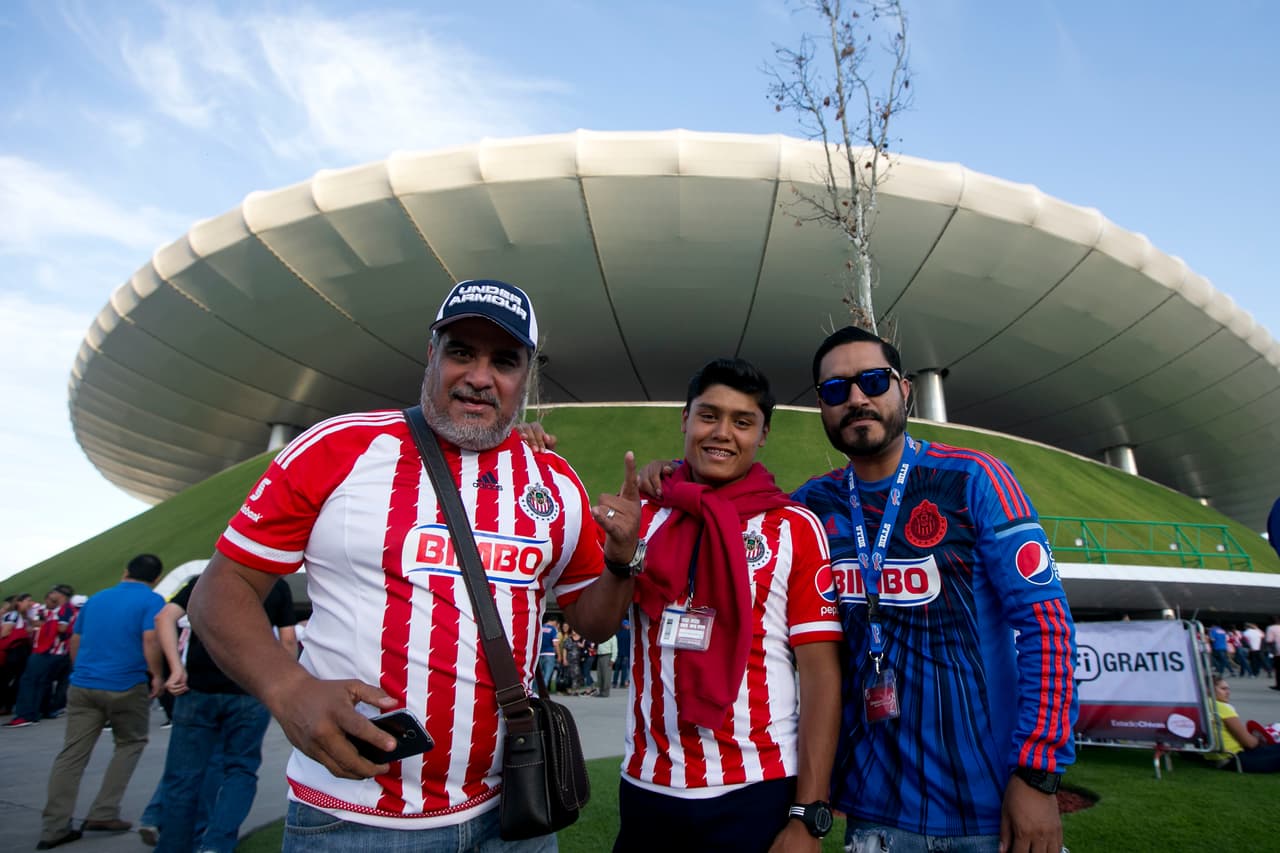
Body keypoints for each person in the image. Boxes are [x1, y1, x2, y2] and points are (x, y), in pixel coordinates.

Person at [186, 279, 637, 852]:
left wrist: (622, 564)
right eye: (461, 353)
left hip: (513, 815)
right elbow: (221, 588)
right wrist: (287, 687)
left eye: (503, 360)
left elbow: (591, 622)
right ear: (431, 355)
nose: (480, 376)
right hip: (354, 820)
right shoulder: (339, 447)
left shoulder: (556, 482)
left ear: (527, 377)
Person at [613, 358, 842, 852]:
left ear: (763, 434)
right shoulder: (645, 516)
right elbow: (595, 623)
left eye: (742, 422)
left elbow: (821, 676)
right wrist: (621, 558)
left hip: (754, 788)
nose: (722, 433)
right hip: (647, 784)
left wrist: (808, 815)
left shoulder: (794, 527)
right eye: (708, 415)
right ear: (685, 419)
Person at [151, 575, 297, 853]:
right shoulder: (276, 585)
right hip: (250, 688)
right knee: (240, 770)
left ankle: (173, 846)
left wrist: (175, 667)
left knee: (183, 775)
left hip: (199, 688)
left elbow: (164, 618)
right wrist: (286, 685)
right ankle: (216, 844)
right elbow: (288, 639)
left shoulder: (203, 579)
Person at [36, 555, 165, 850]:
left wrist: (78, 670)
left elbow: (75, 640)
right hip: (126, 683)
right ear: (156, 578)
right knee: (130, 743)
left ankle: (54, 826)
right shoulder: (152, 601)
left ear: (125, 571)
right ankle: (104, 811)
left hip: (84, 683)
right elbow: (149, 639)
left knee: (72, 754)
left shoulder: (95, 599)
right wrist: (156, 674)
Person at [6, 584, 76, 728]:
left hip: (48, 650)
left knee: (29, 681)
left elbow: (62, 628)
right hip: (51, 650)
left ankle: (25, 715)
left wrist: (46, 623)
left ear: (60, 595)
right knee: (41, 682)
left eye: (54, 592)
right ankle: (37, 712)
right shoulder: (59, 609)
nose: (51, 594)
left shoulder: (64, 610)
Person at [1204, 676, 1280, 773]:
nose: (1228, 692)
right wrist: (1260, 737)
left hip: (1215, 758)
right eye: (1223, 689)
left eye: (1228, 689)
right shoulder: (1221, 707)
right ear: (1208, 689)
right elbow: (1250, 743)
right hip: (1234, 759)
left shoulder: (1203, 706)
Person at [1, 593, 36, 714]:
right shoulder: (14, 615)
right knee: (12, 678)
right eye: (27, 601)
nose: (30, 603)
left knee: (12, 678)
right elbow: (5, 632)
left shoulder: (20, 616)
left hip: (19, 649)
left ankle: (7, 704)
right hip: (17, 649)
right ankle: (7, 703)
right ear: (18, 603)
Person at [594, 631, 615, 698]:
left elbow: (615, 648)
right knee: (600, 675)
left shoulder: (612, 636)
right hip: (600, 655)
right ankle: (601, 691)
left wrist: (613, 659)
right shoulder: (600, 636)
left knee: (606, 675)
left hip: (607, 655)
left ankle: (606, 692)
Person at [611, 618, 631, 690]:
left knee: (617, 669)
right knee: (624, 669)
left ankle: (614, 683)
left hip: (618, 653)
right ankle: (622, 684)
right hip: (625, 653)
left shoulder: (617, 633)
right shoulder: (629, 633)